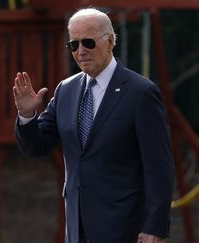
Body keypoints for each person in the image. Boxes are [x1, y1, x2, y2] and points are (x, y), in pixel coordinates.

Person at [13, 7, 174, 243]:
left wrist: (155, 226)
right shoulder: (65, 90)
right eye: (73, 45)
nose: (81, 51)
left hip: (125, 226)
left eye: (88, 42)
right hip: (76, 227)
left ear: (110, 42)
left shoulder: (141, 93)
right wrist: (27, 114)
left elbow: (159, 166)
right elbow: (36, 147)